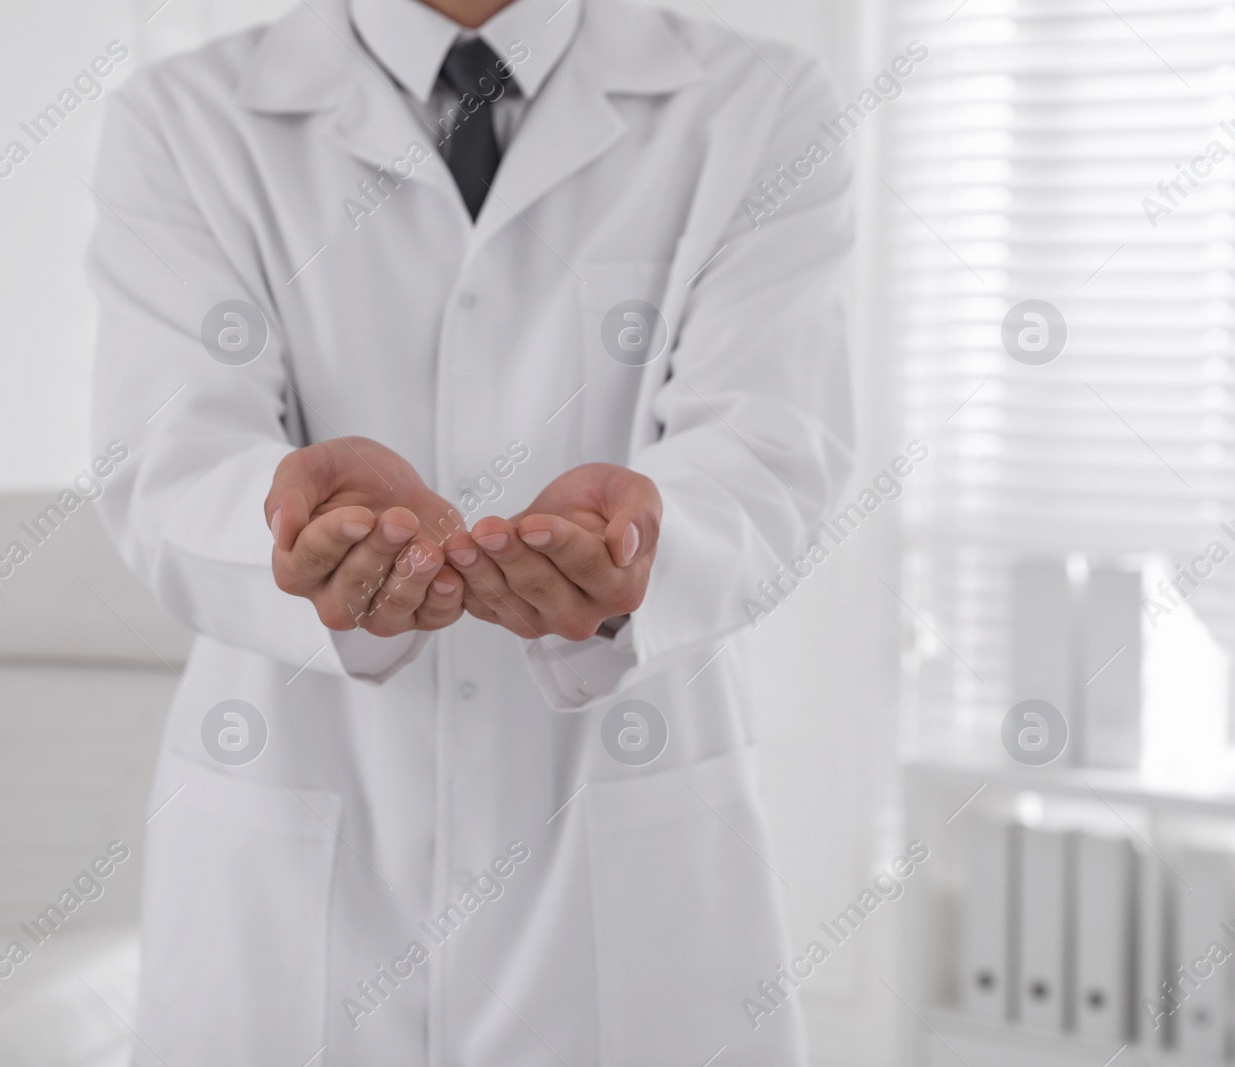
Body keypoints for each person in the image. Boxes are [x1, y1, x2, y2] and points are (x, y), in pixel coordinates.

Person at [88, 0, 854, 1061]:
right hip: (293, 842)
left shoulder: (759, 108)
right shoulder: (182, 120)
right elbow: (168, 459)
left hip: (625, 838)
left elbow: (770, 443)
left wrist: (644, 549)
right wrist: (299, 532)